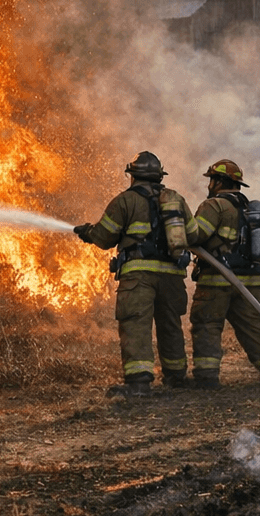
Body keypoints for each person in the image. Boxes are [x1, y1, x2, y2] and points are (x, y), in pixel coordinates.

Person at [74, 152, 198, 393]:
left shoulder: (125, 201)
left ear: (132, 176)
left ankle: (139, 382)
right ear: (159, 177)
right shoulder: (177, 200)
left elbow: (104, 237)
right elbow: (193, 235)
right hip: (172, 277)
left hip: (138, 277)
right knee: (170, 325)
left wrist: (87, 232)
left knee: (136, 326)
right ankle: (176, 377)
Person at [187, 159, 260, 388]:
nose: (209, 184)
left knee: (207, 325)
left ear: (219, 181)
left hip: (217, 280)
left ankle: (206, 377)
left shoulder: (214, 206)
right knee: (253, 327)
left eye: (211, 179)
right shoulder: (250, 208)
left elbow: (196, 236)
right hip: (252, 281)